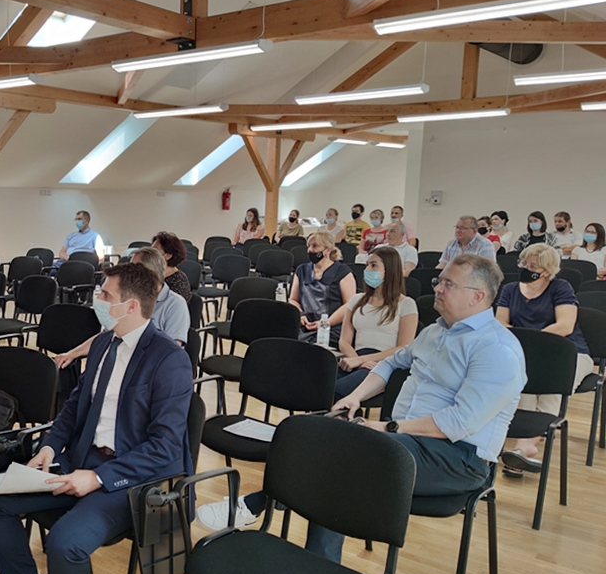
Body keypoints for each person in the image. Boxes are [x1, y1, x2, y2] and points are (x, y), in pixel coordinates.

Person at [202, 256, 526, 557]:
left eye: (449, 284)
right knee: (320, 437)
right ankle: (312, 564)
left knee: (345, 459)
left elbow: (459, 422)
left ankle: (257, 508)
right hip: (407, 440)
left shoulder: (497, 349)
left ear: (477, 296)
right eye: (439, 281)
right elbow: (390, 364)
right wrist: (355, 397)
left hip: (458, 458)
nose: (438, 289)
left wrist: (387, 427)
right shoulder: (436, 332)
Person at [0, 262, 192, 574]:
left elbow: (164, 448)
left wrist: (99, 478)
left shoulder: (169, 359)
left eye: (105, 295)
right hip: (80, 461)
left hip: (129, 481)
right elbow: (74, 407)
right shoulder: (105, 343)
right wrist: (50, 446)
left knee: (65, 543)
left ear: (130, 306)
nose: (97, 300)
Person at [496, 245, 594, 478]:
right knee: (523, 383)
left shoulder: (560, 288)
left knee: (552, 386)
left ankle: (525, 444)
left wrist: (531, 339)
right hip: (528, 354)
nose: (526, 269)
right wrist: (529, 345)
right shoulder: (510, 289)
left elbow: (565, 326)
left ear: (547, 271)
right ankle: (525, 445)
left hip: (568, 353)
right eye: (524, 264)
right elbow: (500, 323)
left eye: (533, 266)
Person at [54, 247, 189, 371]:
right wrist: (73, 353)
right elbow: (106, 337)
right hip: (118, 361)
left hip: (144, 371)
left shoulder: (175, 304)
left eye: (132, 269)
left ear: (147, 273)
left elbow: (169, 352)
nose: (127, 273)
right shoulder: (128, 299)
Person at [333, 247, 417, 399]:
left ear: (390, 269)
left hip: (384, 364)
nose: (367, 270)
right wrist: (357, 360)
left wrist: (361, 361)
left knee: (338, 390)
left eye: (373, 265)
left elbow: (404, 347)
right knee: (320, 384)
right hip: (355, 357)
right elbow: (344, 341)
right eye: (367, 265)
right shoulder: (356, 300)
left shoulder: (406, 304)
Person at [289, 231, 355, 344]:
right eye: (309, 246)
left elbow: (349, 304)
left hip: (331, 328)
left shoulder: (343, 272)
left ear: (328, 250)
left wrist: (326, 323)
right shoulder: (302, 270)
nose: (310, 250)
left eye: (315, 246)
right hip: (304, 326)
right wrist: (300, 315)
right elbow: (293, 299)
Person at [151, 231, 191, 301]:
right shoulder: (151, 273)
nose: (149, 254)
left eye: (154, 251)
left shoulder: (178, 282)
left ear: (168, 256)